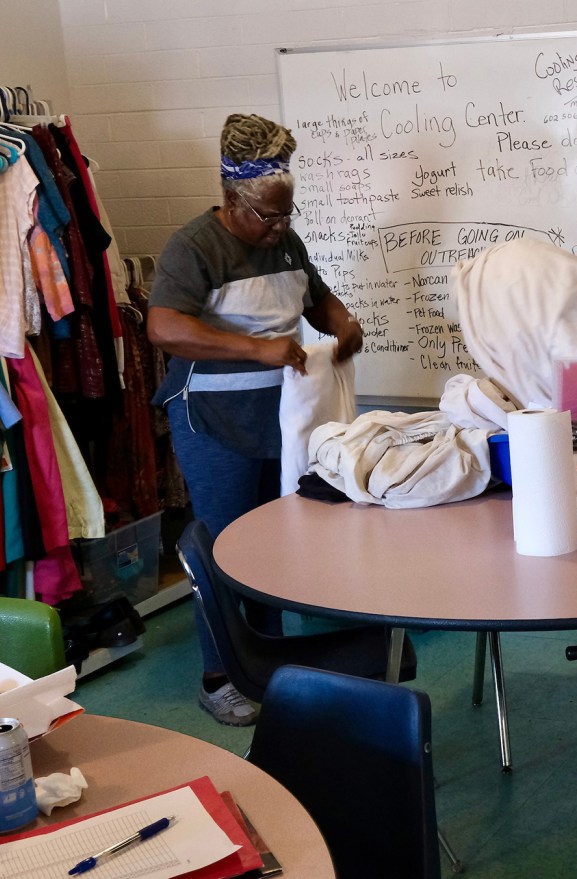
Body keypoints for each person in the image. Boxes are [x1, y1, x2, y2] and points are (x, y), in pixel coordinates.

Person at [147, 114, 363, 726]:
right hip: (213, 420)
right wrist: (254, 348)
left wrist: (342, 324)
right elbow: (163, 327)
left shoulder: (285, 243)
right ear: (230, 198)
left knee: (271, 547)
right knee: (223, 547)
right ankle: (220, 677)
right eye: (268, 216)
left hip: (281, 421)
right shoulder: (194, 247)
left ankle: (263, 664)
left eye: (287, 214)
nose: (280, 228)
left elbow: (315, 298)